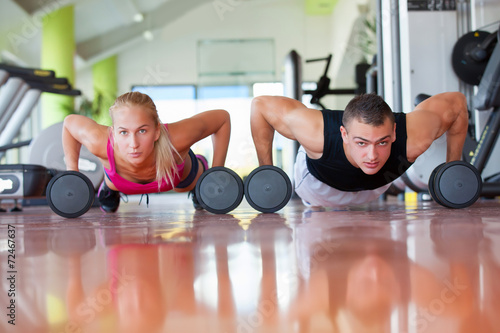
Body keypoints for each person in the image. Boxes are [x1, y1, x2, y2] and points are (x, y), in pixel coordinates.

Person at [250, 92, 468, 207]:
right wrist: (266, 172)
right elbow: (260, 105)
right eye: (361, 143)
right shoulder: (316, 133)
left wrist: (452, 169)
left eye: (382, 142)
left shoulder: (415, 137)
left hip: (374, 190)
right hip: (316, 189)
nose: (372, 156)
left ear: (394, 132)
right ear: (344, 135)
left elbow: (457, 103)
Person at [62, 91, 231, 212]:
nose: (133, 144)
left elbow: (222, 118)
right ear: (113, 132)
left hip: (178, 178)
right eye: (123, 132)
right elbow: (69, 123)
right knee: (112, 185)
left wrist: (215, 173)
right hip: (120, 183)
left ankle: (200, 173)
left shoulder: (178, 137)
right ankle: (109, 191)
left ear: (157, 130)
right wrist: (73, 174)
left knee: (188, 183)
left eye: (142, 131)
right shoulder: (99, 141)